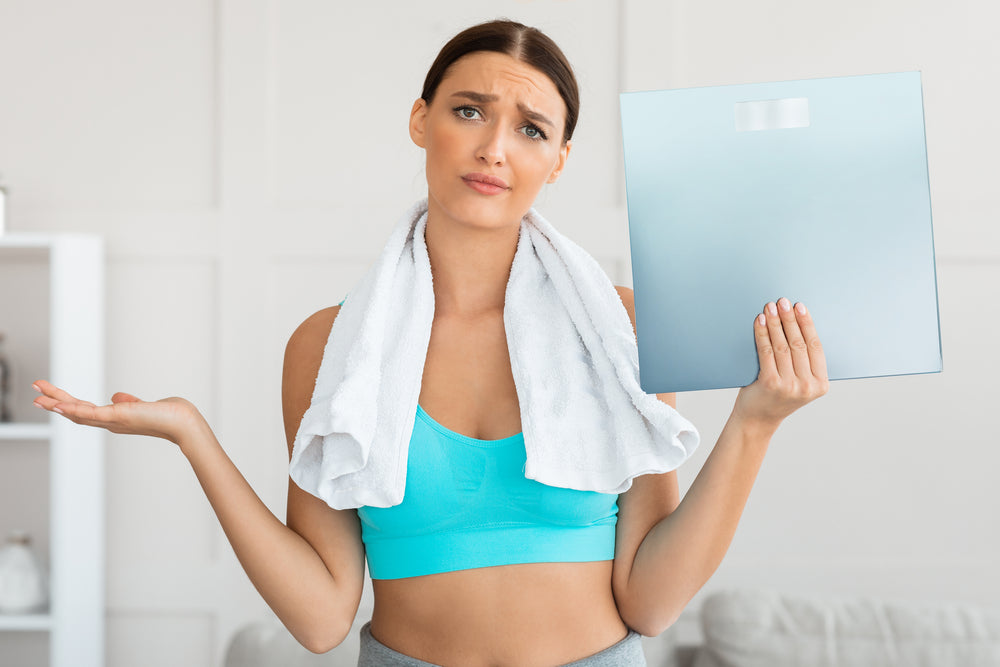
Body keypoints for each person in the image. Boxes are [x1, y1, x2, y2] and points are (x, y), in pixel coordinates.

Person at [31, 19, 829, 667]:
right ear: (422, 120)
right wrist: (191, 434)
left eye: (531, 128)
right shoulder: (330, 346)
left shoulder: (621, 326)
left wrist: (754, 422)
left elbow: (649, 600)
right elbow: (320, 616)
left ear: (559, 160)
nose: (494, 148)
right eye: (469, 110)